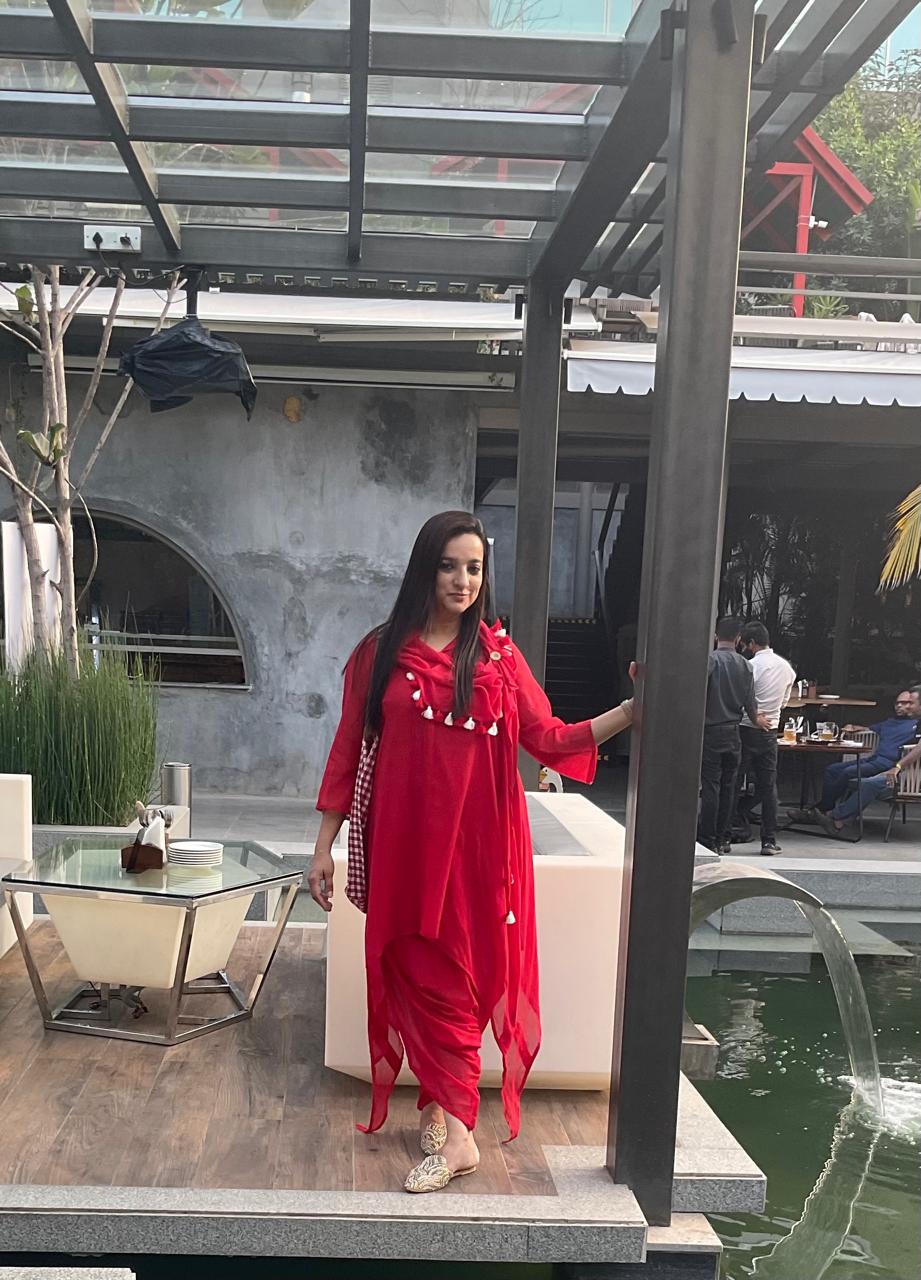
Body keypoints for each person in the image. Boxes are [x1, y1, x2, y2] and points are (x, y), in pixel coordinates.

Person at [307, 511, 635, 1195]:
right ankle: (438, 1103)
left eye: (475, 568)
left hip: (480, 852)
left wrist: (632, 711)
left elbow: (551, 738)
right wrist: (323, 848)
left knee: (458, 977)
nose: (463, 580)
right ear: (424, 569)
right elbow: (346, 749)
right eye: (449, 565)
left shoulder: (498, 659)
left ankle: (459, 1138)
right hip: (401, 847)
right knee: (410, 970)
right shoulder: (378, 654)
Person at [699, 617, 770, 854]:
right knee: (729, 788)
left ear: (716, 636)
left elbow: (698, 695)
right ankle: (723, 838)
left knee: (711, 786)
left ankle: (707, 838)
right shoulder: (746, 666)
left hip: (711, 731)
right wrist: (758, 720)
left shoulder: (710, 662)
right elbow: (751, 704)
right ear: (739, 639)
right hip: (734, 733)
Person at [813, 688, 921, 840]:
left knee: (866, 783)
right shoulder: (900, 722)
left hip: (910, 775)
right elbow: (873, 729)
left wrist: (897, 767)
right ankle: (830, 814)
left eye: (911, 703)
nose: (906, 706)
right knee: (835, 770)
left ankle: (834, 818)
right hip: (893, 767)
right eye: (902, 702)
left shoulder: (914, 724)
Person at [734, 622, 796, 856]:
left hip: (745, 729)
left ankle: (726, 833)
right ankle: (769, 841)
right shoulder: (787, 668)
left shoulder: (750, 666)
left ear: (751, 643)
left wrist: (754, 715)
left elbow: (742, 698)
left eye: (745, 645)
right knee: (768, 786)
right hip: (770, 732)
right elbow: (784, 702)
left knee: (733, 781)